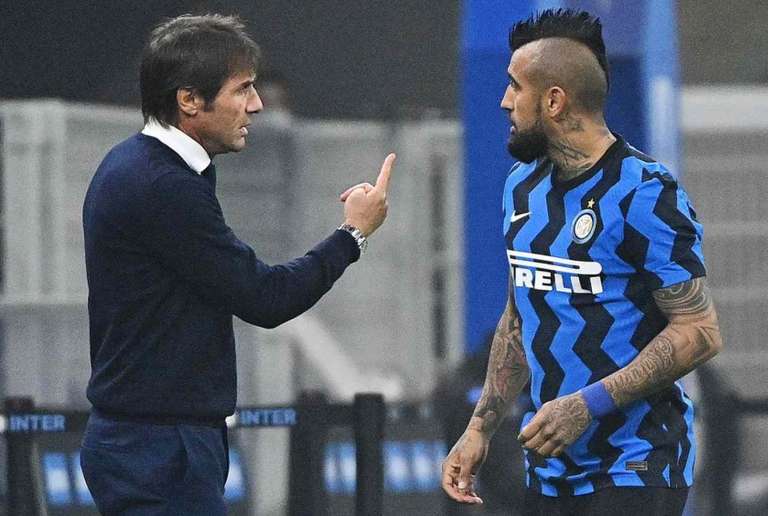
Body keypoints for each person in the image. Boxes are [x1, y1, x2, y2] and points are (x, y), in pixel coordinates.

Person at [80, 14, 394, 515]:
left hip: (153, 441)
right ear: (189, 100)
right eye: (242, 89)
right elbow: (265, 298)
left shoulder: (143, 166)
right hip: (158, 448)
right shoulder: (164, 186)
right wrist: (352, 234)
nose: (257, 104)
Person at [441, 9, 722, 516]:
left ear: (554, 100)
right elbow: (519, 316)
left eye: (514, 87)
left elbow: (699, 331)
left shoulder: (646, 191)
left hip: (637, 463)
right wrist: (480, 428)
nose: (504, 101)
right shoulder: (520, 186)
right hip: (551, 471)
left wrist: (585, 405)